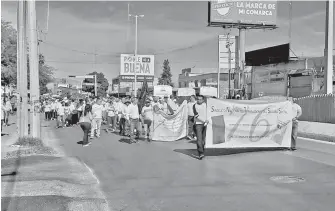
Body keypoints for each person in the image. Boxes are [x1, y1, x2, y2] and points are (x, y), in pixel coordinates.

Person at [193, 95, 208, 160]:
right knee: (199, 140)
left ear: (203, 100)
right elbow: (196, 116)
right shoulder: (194, 106)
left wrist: (207, 121)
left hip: (206, 124)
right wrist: (204, 121)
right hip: (198, 124)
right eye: (198, 99)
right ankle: (200, 153)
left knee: (203, 140)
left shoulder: (206, 105)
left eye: (200, 99)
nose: (199, 100)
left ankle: (202, 150)